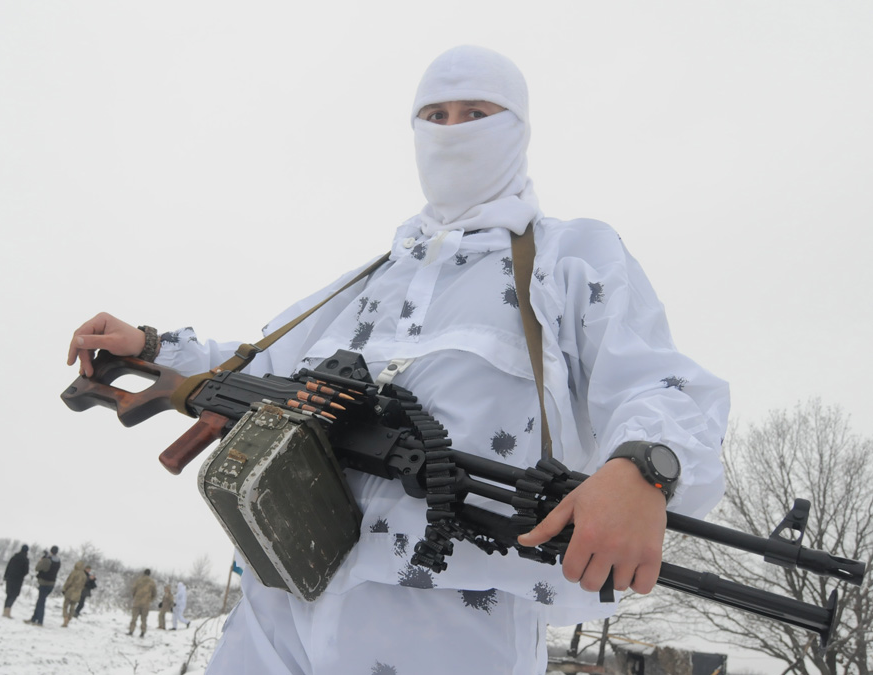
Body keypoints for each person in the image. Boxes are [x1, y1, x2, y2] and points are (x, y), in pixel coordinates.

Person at [67, 45, 729, 674]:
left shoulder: (569, 258)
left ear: (518, 128)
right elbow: (256, 364)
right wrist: (153, 346)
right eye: (435, 116)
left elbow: (657, 378)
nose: (452, 130)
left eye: (476, 113)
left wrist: (644, 464)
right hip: (284, 590)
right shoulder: (373, 277)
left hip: (452, 606)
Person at [25, 546, 61, 626]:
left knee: (41, 602)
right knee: (40, 601)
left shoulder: (47, 559)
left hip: (44, 582)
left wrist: (41, 560)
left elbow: (38, 568)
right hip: (51, 583)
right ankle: (34, 618)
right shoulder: (58, 561)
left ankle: (39, 621)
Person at [2, 544, 30, 618]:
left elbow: (8, 566)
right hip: (18, 580)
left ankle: (5, 611)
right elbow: (26, 571)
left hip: (10, 577)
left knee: (8, 594)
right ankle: (8, 611)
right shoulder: (25, 560)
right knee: (14, 595)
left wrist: (5, 576)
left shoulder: (14, 557)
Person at [128, 568, 157, 638]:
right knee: (144, 618)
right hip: (146, 603)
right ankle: (143, 632)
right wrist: (150, 599)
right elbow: (154, 593)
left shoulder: (138, 580)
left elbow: (133, 590)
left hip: (137, 602)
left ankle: (131, 630)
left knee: (134, 617)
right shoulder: (152, 582)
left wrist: (135, 597)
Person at [61, 560, 88, 627]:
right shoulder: (84, 575)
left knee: (65, 605)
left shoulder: (74, 572)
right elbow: (83, 585)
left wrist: (64, 588)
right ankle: (69, 618)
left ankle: (65, 617)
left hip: (71, 590)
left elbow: (69, 581)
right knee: (73, 606)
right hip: (78, 592)